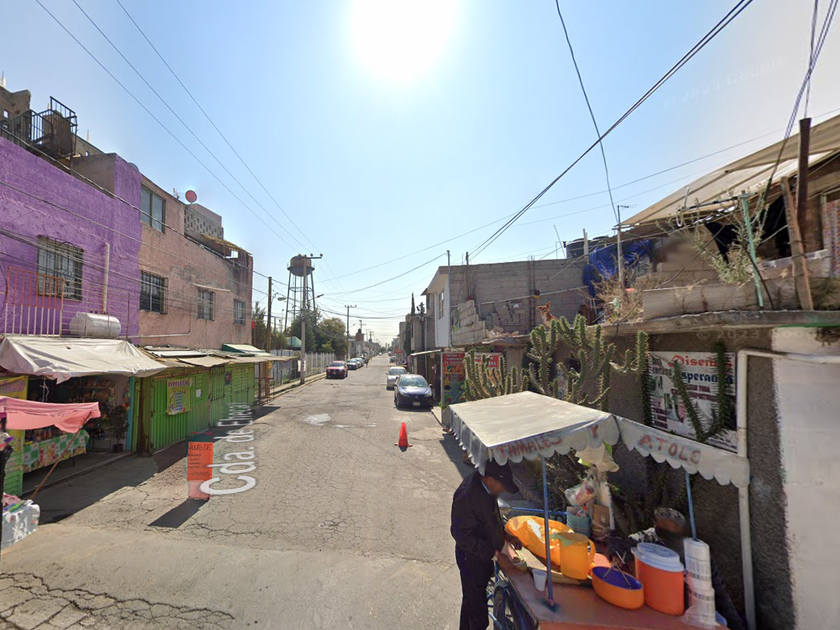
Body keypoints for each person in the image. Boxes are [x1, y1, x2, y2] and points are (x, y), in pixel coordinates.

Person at [608, 508, 744, 630]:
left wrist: (736, 625)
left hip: (690, 606)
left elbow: (719, 593)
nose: (669, 526)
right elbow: (621, 545)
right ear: (656, 523)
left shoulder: (696, 553)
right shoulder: (646, 538)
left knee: (721, 621)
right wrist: (615, 552)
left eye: (674, 524)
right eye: (664, 522)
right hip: (653, 601)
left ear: (682, 527)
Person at [450, 460, 521, 630]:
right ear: (489, 479)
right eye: (502, 485)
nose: (503, 490)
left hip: (481, 559)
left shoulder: (487, 490)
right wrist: (494, 554)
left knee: (470, 604)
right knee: (478, 616)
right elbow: (461, 535)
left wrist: (505, 535)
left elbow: (489, 519)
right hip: (471, 560)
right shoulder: (467, 495)